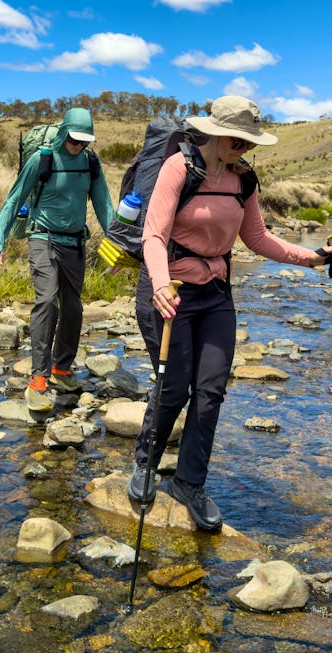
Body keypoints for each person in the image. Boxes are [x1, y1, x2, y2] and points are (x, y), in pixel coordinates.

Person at [128, 95, 332, 530]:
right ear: (216, 133)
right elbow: (154, 235)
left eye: (250, 143)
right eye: (238, 141)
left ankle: (188, 483)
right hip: (170, 292)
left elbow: (257, 238)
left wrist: (312, 258)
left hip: (216, 294)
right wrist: (160, 284)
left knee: (211, 390)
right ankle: (145, 462)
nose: (245, 149)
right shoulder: (179, 168)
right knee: (174, 387)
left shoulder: (244, 180)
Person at [0, 108, 114, 416]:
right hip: (43, 237)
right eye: (74, 139)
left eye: (84, 141)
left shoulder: (90, 163)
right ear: (63, 132)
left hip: (76, 243)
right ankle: (39, 378)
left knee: (73, 307)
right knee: (46, 301)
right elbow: (14, 200)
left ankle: (61, 368)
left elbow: (104, 205)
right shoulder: (41, 160)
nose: (79, 146)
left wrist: (118, 247)